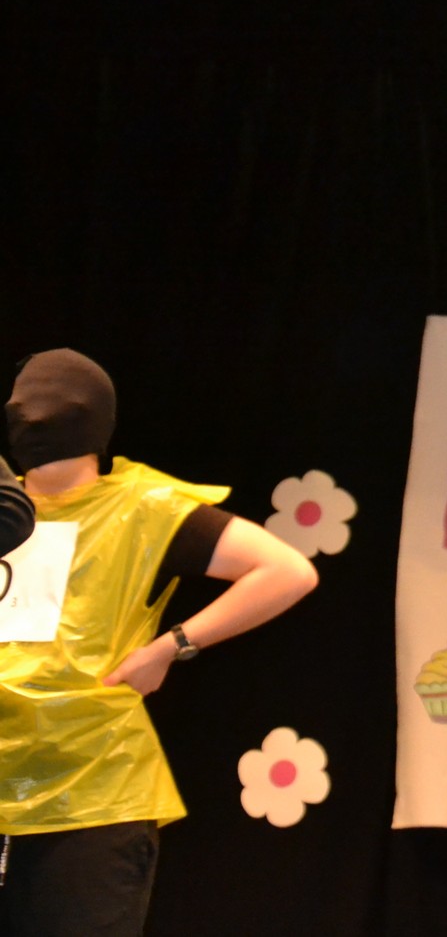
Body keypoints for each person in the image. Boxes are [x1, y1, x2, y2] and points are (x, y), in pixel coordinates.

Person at [0, 349, 319, 936]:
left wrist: (171, 646)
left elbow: (286, 571)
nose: (31, 415)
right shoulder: (6, 507)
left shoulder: (141, 505)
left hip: (90, 790)